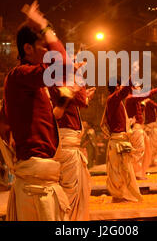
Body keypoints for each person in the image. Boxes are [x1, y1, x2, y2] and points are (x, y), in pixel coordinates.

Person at [0, 1, 70, 221]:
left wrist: (65, 100)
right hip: (35, 181)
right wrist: (46, 27)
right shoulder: (20, 75)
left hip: (41, 175)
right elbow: (62, 65)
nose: (48, 52)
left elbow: (50, 118)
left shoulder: (30, 81)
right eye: (44, 47)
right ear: (27, 48)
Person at [50, 84, 95, 220]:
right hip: (66, 147)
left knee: (76, 190)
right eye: (73, 62)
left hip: (68, 145)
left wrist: (84, 96)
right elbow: (55, 114)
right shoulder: (59, 85)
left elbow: (81, 102)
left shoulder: (63, 86)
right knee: (69, 193)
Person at [101, 79, 142, 203]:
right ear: (117, 86)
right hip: (117, 140)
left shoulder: (115, 101)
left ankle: (121, 195)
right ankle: (117, 196)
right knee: (118, 170)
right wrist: (130, 78)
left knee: (124, 170)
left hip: (120, 139)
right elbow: (124, 92)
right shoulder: (113, 99)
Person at [124, 78, 157, 180]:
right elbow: (148, 94)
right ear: (132, 88)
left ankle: (139, 172)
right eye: (137, 86)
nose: (140, 88)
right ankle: (136, 174)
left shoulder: (135, 100)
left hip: (140, 128)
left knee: (146, 151)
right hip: (135, 129)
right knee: (138, 152)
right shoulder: (130, 98)